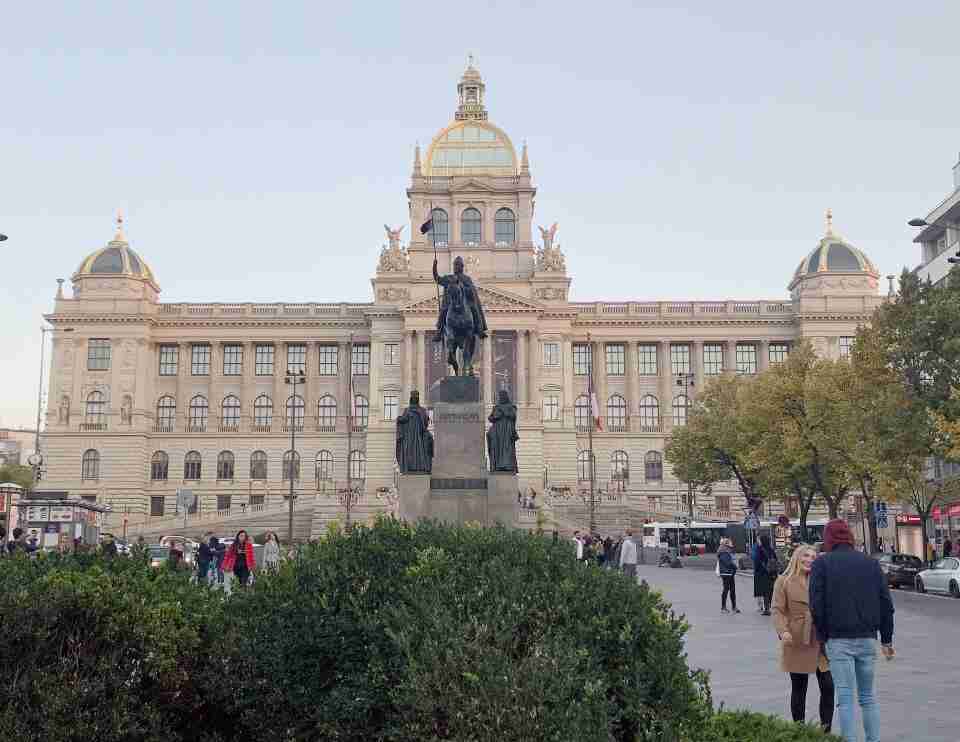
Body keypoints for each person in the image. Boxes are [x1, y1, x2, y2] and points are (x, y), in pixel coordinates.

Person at [810, 519, 894, 742]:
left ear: (829, 538)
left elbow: (816, 606)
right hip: (867, 638)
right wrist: (886, 639)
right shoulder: (871, 564)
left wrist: (823, 637)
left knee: (845, 698)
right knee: (868, 696)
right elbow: (886, 603)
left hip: (838, 639)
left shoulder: (822, 564)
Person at [772, 544, 834, 733]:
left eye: (813, 557)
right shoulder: (783, 581)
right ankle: (800, 730)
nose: (809, 559)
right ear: (797, 558)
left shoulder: (821, 580)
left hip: (820, 639)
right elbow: (777, 610)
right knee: (799, 687)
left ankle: (825, 731)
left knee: (828, 685)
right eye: (806, 555)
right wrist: (783, 632)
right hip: (797, 638)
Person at [752, 534, 778, 615]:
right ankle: (772, 607)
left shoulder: (760, 549)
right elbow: (775, 559)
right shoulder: (770, 549)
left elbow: (756, 560)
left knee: (765, 591)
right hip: (772, 573)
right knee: (771, 590)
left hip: (762, 573)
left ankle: (767, 609)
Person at [717, 538, 740, 614]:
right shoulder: (723, 552)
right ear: (725, 545)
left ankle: (734, 607)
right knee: (726, 590)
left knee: (732, 590)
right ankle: (723, 607)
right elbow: (728, 563)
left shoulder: (726, 551)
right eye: (729, 545)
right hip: (726, 573)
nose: (731, 547)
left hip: (729, 573)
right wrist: (735, 566)